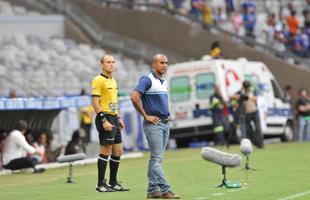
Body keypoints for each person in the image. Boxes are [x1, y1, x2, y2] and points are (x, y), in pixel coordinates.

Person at [131, 54, 180, 199]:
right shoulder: (147, 79)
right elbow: (134, 97)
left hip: (165, 123)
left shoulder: (163, 81)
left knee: (156, 159)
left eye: (166, 62)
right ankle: (166, 190)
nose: (165, 65)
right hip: (154, 125)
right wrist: (145, 116)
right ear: (154, 65)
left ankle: (152, 190)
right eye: (161, 62)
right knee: (157, 159)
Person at [92, 54, 129, 192]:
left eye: (113, 62)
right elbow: (95, 102)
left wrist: (118, 117)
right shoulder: (98, 80)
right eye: (108, 62)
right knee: (105, 151)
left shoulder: (113, 81)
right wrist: (103, 120)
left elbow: (113, 102)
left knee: (118, 151)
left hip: (113, 117)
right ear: (102, 65)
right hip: (105, 117)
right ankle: (100, 184)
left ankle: (113, 182)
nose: (111, 64)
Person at [232, 81, 264, 148]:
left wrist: (247, 97)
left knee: (258, 128)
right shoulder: (241, 92)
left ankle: (261, 144)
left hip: (254, 111)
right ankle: (255, 142)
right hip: (246, 113)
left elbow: (256, 98)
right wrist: (239, 96)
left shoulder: (252, 91)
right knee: (249, 130)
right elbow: (233, 96)